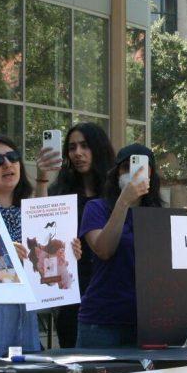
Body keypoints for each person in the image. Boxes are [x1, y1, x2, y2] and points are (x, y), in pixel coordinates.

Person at [78, 143, 187, 348]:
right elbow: (104, 250)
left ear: (151, 175)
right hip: (102, 323)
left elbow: (181, 263)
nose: (132, 173)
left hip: (148, 322)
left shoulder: (159, 216)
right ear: (116, 173)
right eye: (126, 167)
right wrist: (123, 202)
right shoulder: (96, 208)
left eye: (139, 168)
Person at [0, 134, 79, 355]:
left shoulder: (27, 210)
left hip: (27, 313)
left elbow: (45, 238)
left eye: (12, 157)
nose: (8, 164)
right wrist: (1, 251)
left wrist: (67, 253)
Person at [48, 122, 115, 349]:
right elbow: (40, 226)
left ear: (98, 148)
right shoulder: (60, 190)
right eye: (72, 147)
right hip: (72, 295)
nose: (78, 153)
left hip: (110, 292)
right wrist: (41, 177)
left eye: (85, 146)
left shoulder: (116, 193)